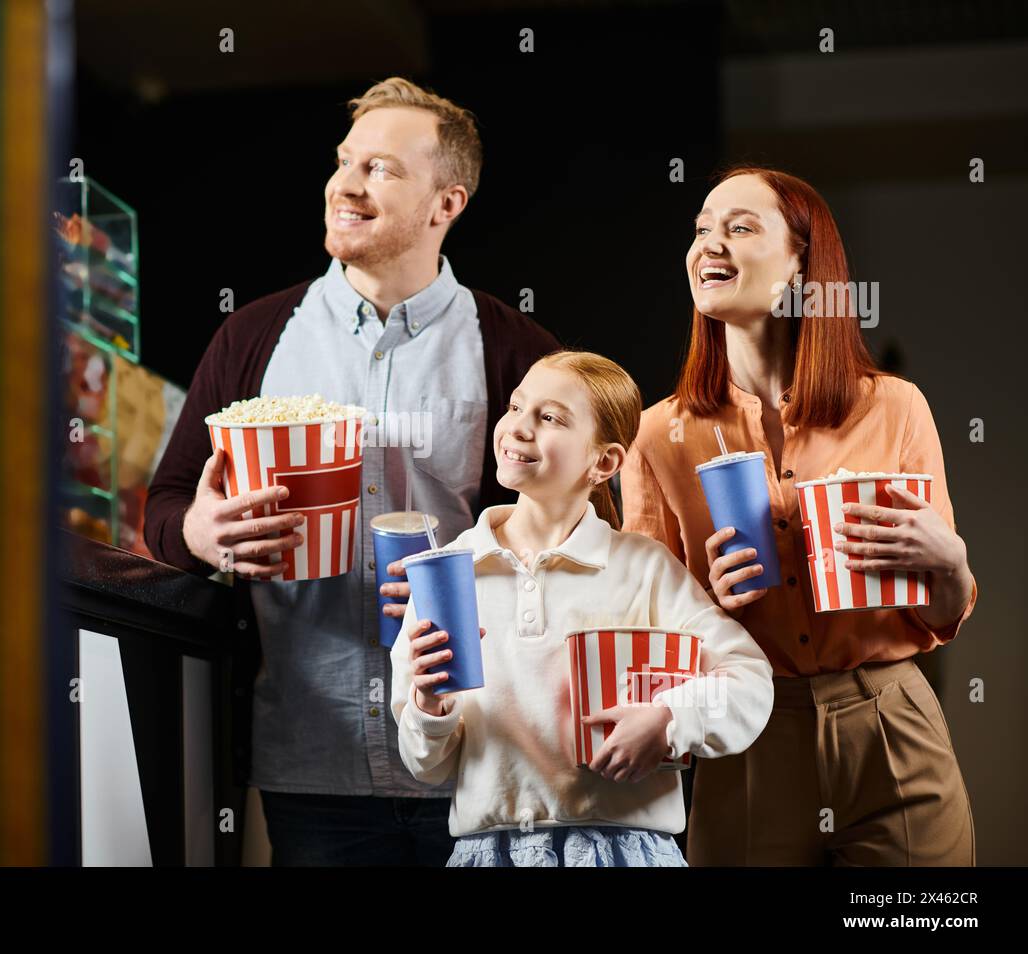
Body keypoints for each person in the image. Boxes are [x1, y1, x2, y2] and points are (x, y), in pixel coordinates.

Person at [143, 77, 560, 865]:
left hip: (476, 759)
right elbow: (165, 505)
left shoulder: (521, 353)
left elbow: (577, 537)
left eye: (382, 169)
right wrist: (200, 532)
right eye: (345, 162)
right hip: (310, 761)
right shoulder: (253, 337)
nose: (347, 184)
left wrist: (488, 579)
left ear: (446, 204)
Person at [620, 166, 978, 865]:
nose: (708, 245)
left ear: (801, 266)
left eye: (740, 227)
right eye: (700, 230)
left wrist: (953, 567)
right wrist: (707, 609)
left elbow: (941, 614)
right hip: (747, 731)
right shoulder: (656, 435)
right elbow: (648, 643)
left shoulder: (896, 406)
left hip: (893, 727)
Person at [389, 351, 774, 866]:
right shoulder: (449, 574)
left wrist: (668, 719)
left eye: (549, 418)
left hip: (627, 852)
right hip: (489, 852)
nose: (518, 428)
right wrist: (429, 703)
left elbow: (750, 681)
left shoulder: (645, 568)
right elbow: (426, 765)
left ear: (605, 462)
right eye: (516, 406)